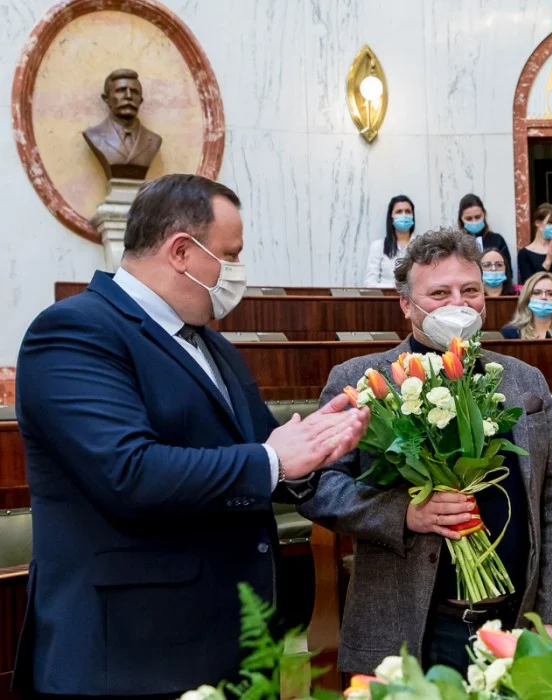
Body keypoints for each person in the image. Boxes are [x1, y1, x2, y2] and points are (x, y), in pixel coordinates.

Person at [12, 174, 370, 697]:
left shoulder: (210, 342)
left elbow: (262, 451)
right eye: (230, 254)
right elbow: (128, 472)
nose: (238, 270)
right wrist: (274, 460)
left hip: (232, 644)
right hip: (133, 657)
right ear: (181, 251)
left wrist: (313, 449)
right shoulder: (75, 330)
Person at [298, 228, 552, 676]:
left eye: (470, 291)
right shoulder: (361, 381)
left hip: (515, 624)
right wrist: (403, 514)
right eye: (439, 293)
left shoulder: (524, 381)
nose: (458, 304)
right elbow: (317, 486)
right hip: (411, 630)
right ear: (406, 304)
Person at [82, 68, 162, 180]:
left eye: (134, 92)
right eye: (121, 90)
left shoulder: (154, 140)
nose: (128, 96)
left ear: (140, 100)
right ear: (106, 99)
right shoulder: (94, 136)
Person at [501, 271, 552, 339]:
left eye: (550, 294)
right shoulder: (510, 333)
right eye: (537, 293)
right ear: (527, 297)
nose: (543, 297)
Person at [363, 195, 416, 287]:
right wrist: (394, 288)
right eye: (399, 212)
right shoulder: (378, 246)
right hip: (386, 296)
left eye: (407, 211)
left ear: (412, 216)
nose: (404, 215)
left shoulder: (423, 247)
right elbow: (369, 283)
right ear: (391, 216)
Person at [459, 193, 512, 271]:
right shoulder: (457, 243)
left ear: (484, 215)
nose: (474, 221)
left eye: (477, 217)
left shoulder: (497, 240)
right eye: (469, 218)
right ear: (461, 219)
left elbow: (508, 270)